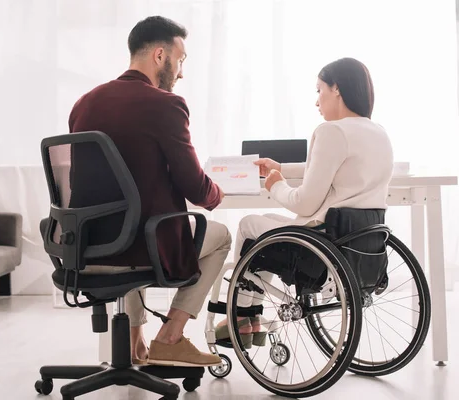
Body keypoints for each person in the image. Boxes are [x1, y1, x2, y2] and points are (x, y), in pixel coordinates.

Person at [68, 16, 231, 367]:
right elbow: (194, 185)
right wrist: (219, 193)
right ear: (160, 55)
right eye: (181, 60)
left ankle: (133, 344)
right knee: (220, 237)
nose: (182, 71)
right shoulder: (166, 105)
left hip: (86, 244)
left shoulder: (84, 104)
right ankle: (170, 337)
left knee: (135, 222)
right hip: (138, 245)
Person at [215, 57, 394, 342]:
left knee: (249, 225)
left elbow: (304, 204)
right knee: (268, 224)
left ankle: (240, 317)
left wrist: (277, 184)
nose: (317, 101)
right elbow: (335, 168)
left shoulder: (332, 131)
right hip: (358, 246)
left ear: (336, 88)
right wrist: (281, 168)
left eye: (319, 90)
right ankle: (250, 318)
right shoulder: (377, 132)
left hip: (320, 248)